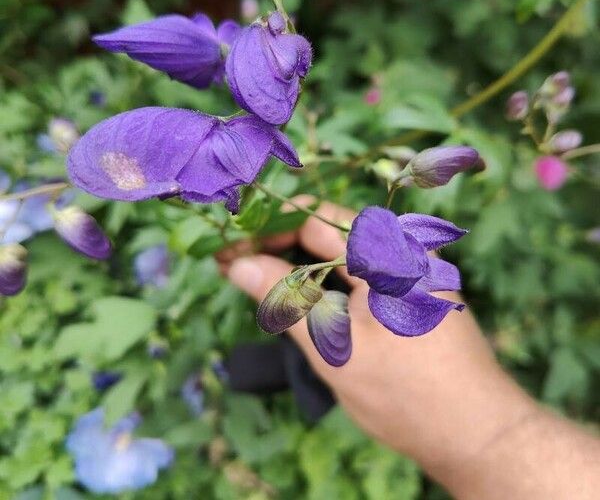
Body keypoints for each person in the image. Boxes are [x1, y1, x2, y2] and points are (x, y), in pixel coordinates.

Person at [221, 197, 600, 500]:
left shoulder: (390, 274)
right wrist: (492, 436)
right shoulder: (393, 248)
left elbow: (433, 276)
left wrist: (489, 437)